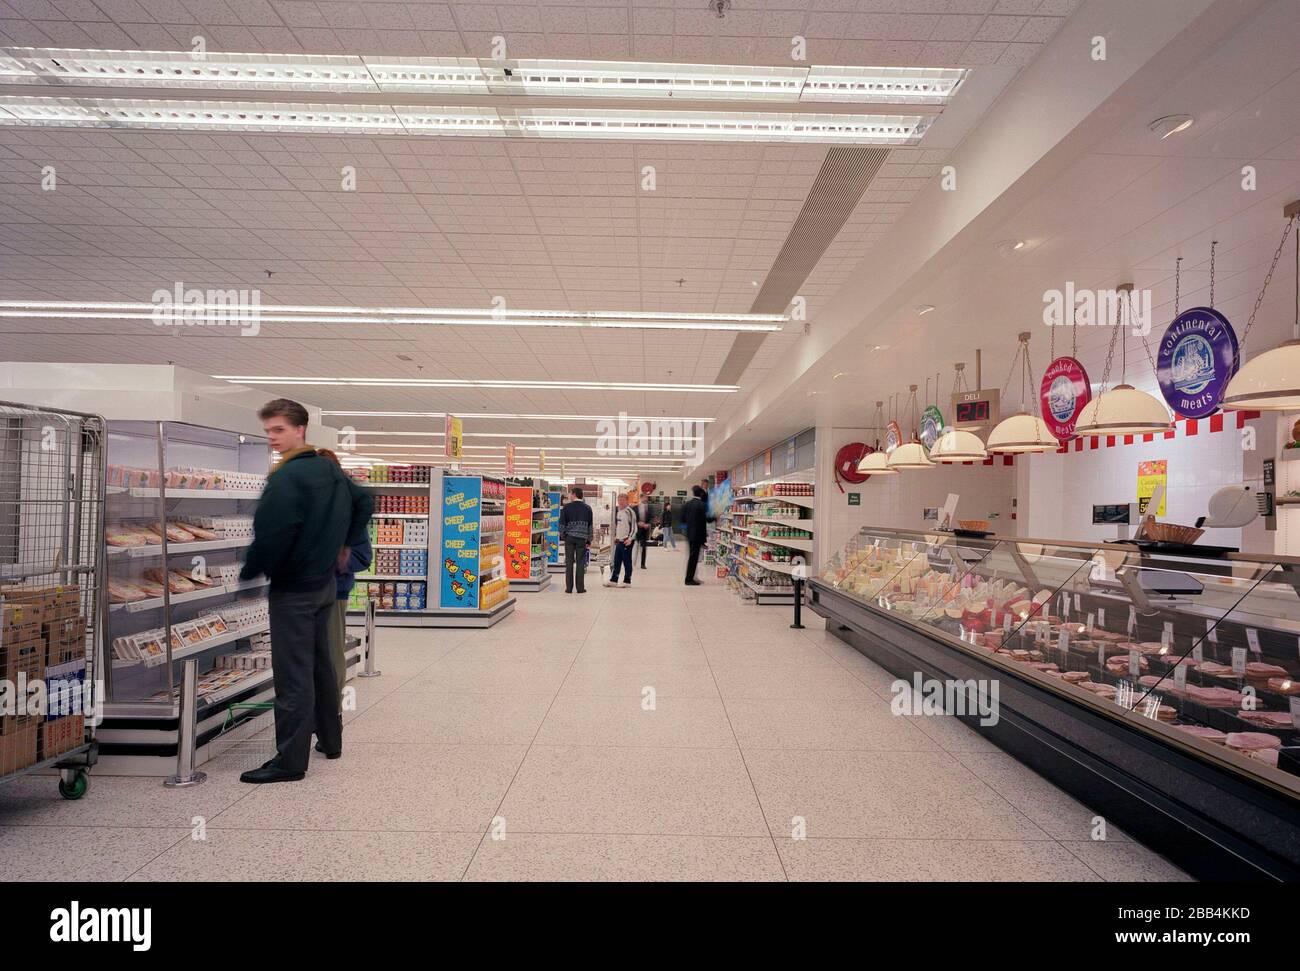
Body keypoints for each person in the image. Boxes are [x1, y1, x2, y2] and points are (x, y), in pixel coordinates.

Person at [238, 400, 373, 784]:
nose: (272, 438)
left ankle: (289, 761)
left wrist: (250, 571)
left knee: (293, 674)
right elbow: (365, 501)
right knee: (321, 666)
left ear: (299, 429)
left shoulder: (287, 476)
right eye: (268, 431)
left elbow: (271, 533)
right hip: (325, 586)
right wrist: (342, 544)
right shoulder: (327, 471)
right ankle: (331, 740)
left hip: (294, 588)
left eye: (278, 430)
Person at [316, 449, 373, 714]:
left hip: (332, 593)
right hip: (296, 595)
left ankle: (331, 715)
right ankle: (308, 714)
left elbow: (363, 557)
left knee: (330, 652)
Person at [558, 486, 593, 594]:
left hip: (569, 538)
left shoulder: (566, 508)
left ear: (574, 495)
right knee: (580, 563)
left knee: (569, 563)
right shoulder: (587, 508)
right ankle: (580, 588)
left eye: (570, 494)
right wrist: (589, 539)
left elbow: (562, 524)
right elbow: (590, 525)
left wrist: (564, 536)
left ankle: (569, 588)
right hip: (582, 539)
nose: (569, 496)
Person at [681, 484, 714, 586]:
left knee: (692, 557)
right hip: (697, 535)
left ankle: (692, 577)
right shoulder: (702, 505)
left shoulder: (687, 504)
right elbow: (709, 519)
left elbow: (682, 520)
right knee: (694, 558)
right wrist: (717, 515)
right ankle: (689, 579)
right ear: (701, 494)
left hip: (689, 534)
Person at [605, 493, 637, 587]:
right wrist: (616, 537)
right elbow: (619, 526)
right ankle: (614, 580)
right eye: (619, 500)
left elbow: (634, 528)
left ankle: (627, 581)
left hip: (627, 541)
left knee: (627, 561)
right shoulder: (619, 512)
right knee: (617, 561)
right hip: (619, 541)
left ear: (627, 501)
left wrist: (630, 539)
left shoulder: (630, 512)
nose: (620, 502)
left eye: (622, 500)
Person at [635, 496, 651, 569]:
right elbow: (633, 519)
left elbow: (651, 518)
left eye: (646, 498)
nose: (645, 499)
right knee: (635, 547)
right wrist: (638, 523)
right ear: (640, 498)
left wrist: (648, 524)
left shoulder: (649, 508)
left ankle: (643, 564)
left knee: (644, 547)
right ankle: (634, 562)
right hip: (637, 530)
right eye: (644, 498)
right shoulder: (635, 508)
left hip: (645, 530)